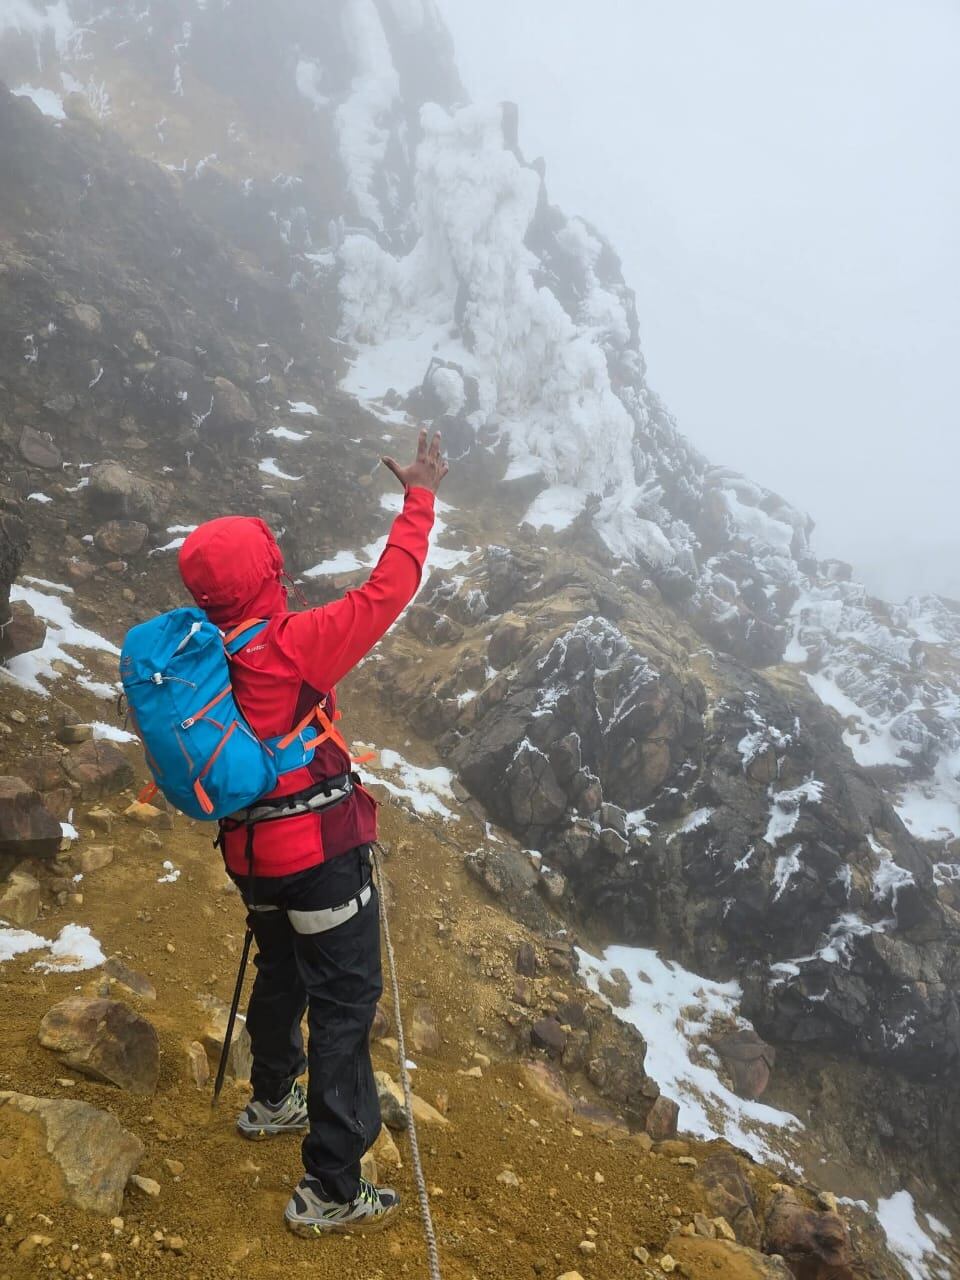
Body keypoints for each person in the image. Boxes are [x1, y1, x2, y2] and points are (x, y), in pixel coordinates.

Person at [177, 429, 448, 1236]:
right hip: (322, 857)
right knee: (343, 1004)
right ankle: (332, 1185)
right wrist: (421, 494)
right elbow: (390, 587)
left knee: (282, 968)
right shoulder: (293, 645)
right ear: (267, 573)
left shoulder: (201, 654)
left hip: (251, 857)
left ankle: (271, 1099)